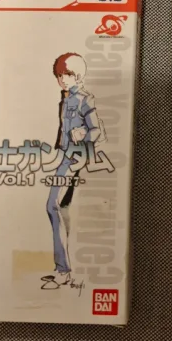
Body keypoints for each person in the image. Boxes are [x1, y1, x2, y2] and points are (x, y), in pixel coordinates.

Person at [41, 52, 105, 289]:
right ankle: (64, 269)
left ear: (77, 76)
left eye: (66, 75)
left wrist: (83, 135)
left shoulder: (84, 99)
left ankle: (64, 271)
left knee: (54, 206)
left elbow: (97, 131)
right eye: (59, 75)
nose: (62, 80)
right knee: (61, 210)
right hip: (64, 157)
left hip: (75, 159)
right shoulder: (65, 98)